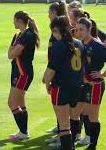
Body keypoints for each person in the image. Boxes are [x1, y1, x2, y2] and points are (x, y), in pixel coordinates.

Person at [43, 16, 86, 150]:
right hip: (78, 88)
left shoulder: (58, 46)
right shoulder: (79, 43)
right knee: (74, 118)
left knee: (63, 124)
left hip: (62, 88)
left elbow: (49, 73)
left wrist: (46, 83)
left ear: (56, 30)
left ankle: (67, 147)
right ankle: (71, 144)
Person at [77, 17, 106, 150]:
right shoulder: (80, 44)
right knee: (82, 112)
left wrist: (103, 75)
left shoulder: (97, 45)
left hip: (94, 86)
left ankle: (92, 145)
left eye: (82, 30)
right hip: (82, 84)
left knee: (93, 116)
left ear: (89, 29)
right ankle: (82, 139)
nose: (79, 32)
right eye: (77, 29)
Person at [7, 11, 40, 141]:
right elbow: (10, 54)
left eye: (14, 20)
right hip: (16, 71)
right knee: (19, 102)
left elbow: (12, 54)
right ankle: (24, 132)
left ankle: (23, 132)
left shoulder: (28, 35)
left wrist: (13, 52)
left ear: (19, 20)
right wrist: (13, 52)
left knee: (12, 102)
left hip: (23, 73)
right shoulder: (18, 35)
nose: (13, 22)